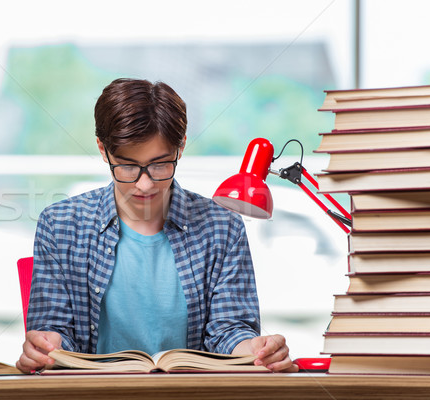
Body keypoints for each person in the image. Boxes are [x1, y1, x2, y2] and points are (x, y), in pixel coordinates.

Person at [16, 78, 298, 373]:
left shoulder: (222, 227)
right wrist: (45, 346)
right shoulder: (59, 226)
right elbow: (56, 335)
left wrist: (255, 350)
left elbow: (229, 332)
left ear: (181, 147)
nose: (145, 183)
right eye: (127, 166)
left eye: (160, 164)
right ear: (102, 150)